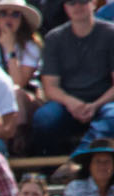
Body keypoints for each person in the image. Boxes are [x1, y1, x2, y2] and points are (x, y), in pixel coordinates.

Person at [29, 0, 114, 155]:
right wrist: (72, 103)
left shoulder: (110, 34)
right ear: (65, 7)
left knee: (112, 117)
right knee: (44, 119)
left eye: (82, 1)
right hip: (67, 104)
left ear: (93, 3)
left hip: (104, 102)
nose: (77, 6)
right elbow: (50, 86)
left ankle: (78, 160)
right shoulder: (54, 38)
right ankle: (50, 169)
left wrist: (94, 105)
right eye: (72, 3)